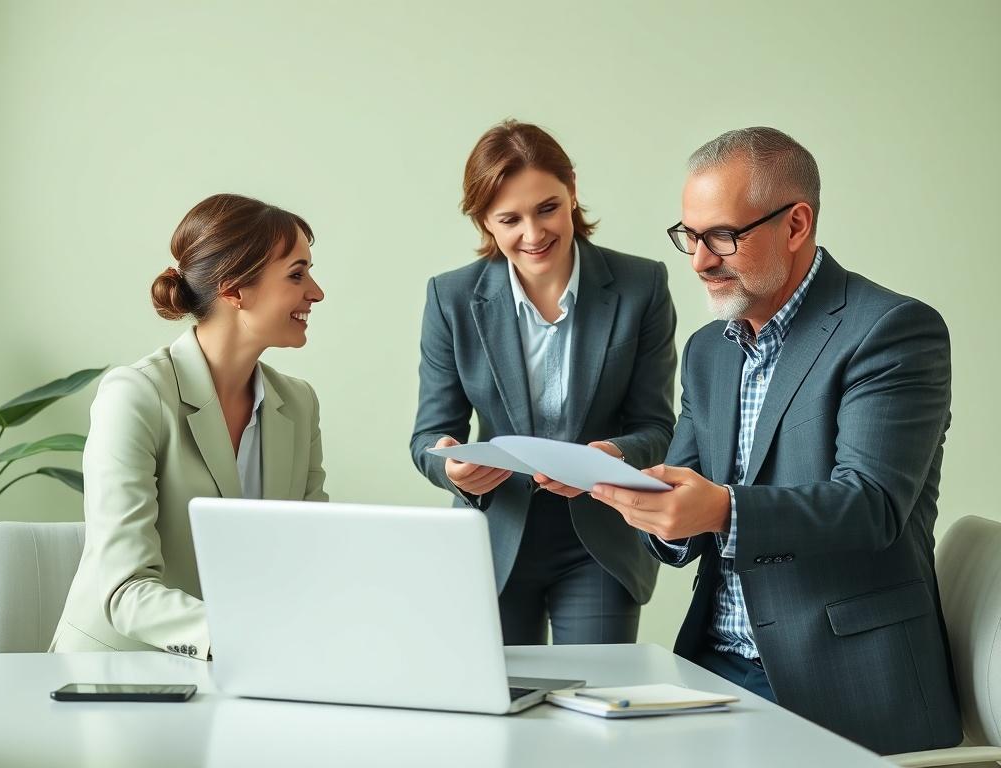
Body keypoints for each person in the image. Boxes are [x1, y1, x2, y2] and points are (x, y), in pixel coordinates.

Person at [590, 127, 962, 754]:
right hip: (709, 666)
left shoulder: (893, 330)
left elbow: (871, 505)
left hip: (838, 682)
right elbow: (686, 496)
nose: (701, 261)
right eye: (690, 236)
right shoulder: (709, 350)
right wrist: (637, 488)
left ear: (796, 225)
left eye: (723, 236)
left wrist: (721, 509)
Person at [410, 120, 677, 645]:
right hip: (495, 537)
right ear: (485, 221)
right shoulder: (452, 298)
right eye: (510, 219)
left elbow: (657, 428)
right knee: (502, 713)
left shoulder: (641, 286)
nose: (533, 235)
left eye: (548, 208)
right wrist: (453, 470)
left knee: (598, 708)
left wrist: (609, 456)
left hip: (600, 537)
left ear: (572, 190)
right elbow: (428, 438)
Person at [51, 193, 328, 659]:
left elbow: (310, 556)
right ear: (236, 289)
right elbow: (125, 588)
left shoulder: (298, 403)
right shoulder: (135, 395)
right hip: (116, 675)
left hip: (242, 671)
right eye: (296, 274)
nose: (315, 292)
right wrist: (248, 639)